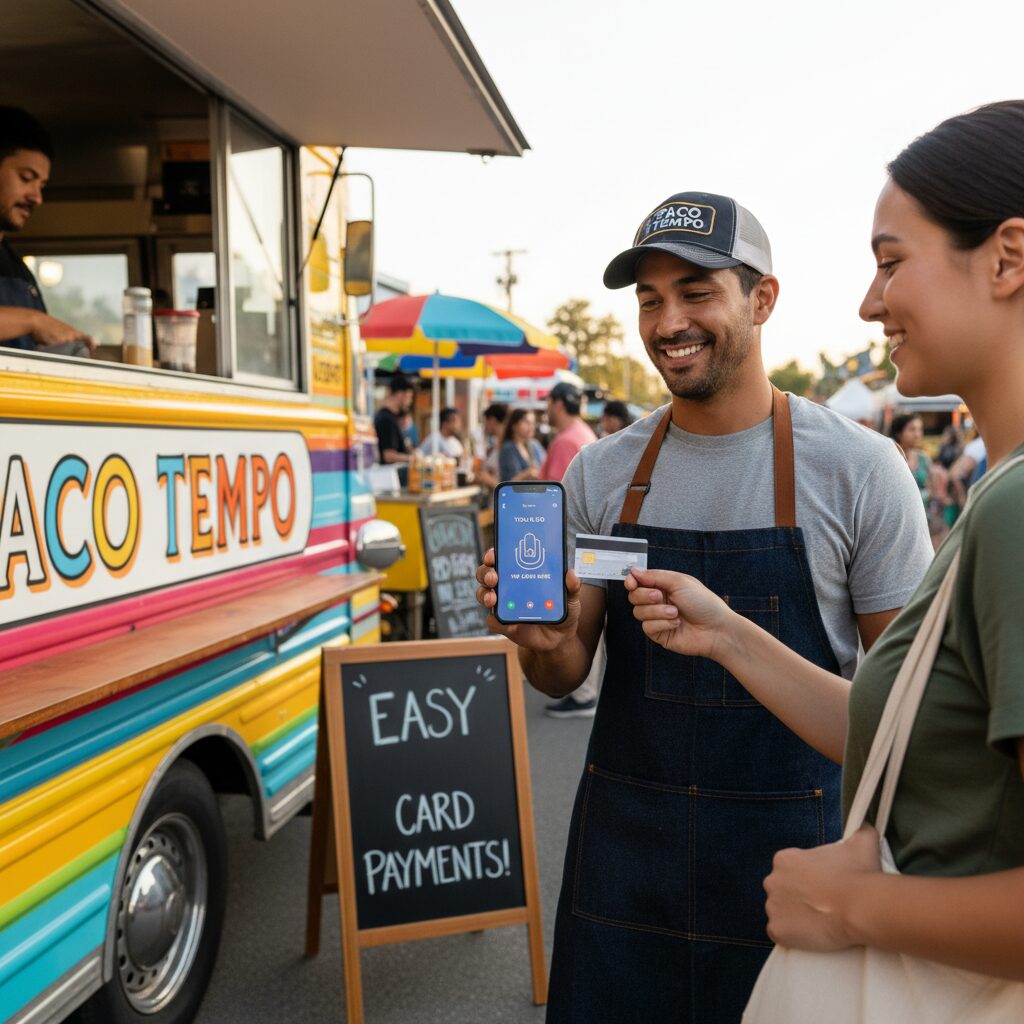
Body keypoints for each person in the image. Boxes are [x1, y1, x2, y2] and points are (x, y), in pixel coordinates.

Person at [475, 189, 933, 1021]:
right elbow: (562, 669)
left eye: (695, 291)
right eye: (649, 299)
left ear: (762, 300)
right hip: (625, 870)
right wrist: (536, 641)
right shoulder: (602, 472)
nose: (666, 321)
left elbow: (907, 722)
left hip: (795, 874)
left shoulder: (861, 472)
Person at [628, 102, 1024, 1000]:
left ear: (1006, 257)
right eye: (649, 297)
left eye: (890, 262)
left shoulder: (1012, 510)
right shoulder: (999, 494)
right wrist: (725, 631)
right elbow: (906, 732)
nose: (870, 300)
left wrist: (853, 908)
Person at [0, 107, 93, 355]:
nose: (37, 197)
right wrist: (33, 321)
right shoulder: (30, 316)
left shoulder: (16, 268)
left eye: (41, 185)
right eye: (26, 178)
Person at [539, 381, 597, 481]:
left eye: (548, 402)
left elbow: (556, 492)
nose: (546, 408)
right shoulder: (584, 431)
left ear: (558, 405)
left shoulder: (564, 442)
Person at [374, 374, 416, 473]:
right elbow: (388, 456)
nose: (410, 402)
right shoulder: (386, 419)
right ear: (400, 394)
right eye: (409, 397)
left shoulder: (393, 418)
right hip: (388, 479)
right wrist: (413, 459)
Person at [890, 412, 930, 506]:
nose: (917, 434)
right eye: (912, 429)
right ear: (899, 433)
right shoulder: (890, 458)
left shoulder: (923, 458)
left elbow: (930, 487)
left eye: (920, 429)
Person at [497, 408, 545, 481]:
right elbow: (509, 481)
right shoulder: (508, 448)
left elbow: (545, 466)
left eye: (533, 423)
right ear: (514, 425)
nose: (531, 427)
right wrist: (528, 473)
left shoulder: (535, 444)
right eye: (526, 423)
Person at [472, 402, 508, 490]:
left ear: (492, 420)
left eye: (485, 421)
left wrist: (488, 479)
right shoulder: (496, 444)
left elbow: (510, 483)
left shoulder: (507, 447)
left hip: (501, 500)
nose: (484, 426)